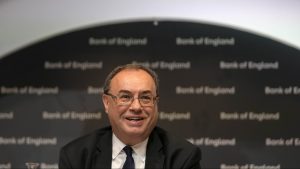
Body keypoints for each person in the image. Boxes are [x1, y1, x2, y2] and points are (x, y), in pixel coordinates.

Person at [59, 64, 201, 169]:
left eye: (145, 98)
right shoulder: (76, 156)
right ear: (107, 103)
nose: (136, 107)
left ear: (156, 103)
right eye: (125, 97)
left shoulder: (182, 157)